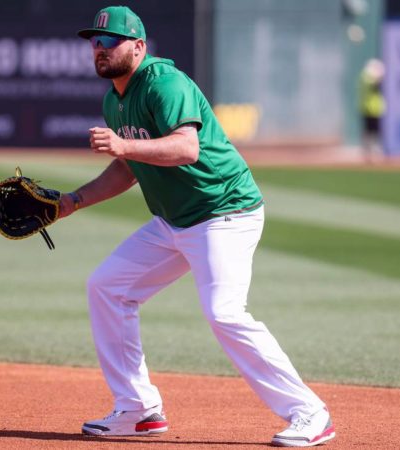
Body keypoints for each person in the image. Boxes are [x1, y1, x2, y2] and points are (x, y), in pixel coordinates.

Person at [59, 6, 336, 447]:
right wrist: (72, 202)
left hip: (224, 213)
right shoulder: (115, 99)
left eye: (109, 41)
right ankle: (138, 410)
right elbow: (127, 169)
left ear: (138, 47)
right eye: (95, 41)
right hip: (173, 221)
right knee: (107, 287)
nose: (99, 48)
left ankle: (310, 413)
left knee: (224, 312)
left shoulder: (165, 83)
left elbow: (187, 148)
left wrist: (124, 144)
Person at [358, 58, 386, 161]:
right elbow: (373, 85)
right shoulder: (366, 77)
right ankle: (368, 152)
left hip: (374, 109)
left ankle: (372, 152)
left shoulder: (366, 77)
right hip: (369, 108)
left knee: (374, 131)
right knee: (370, 131)